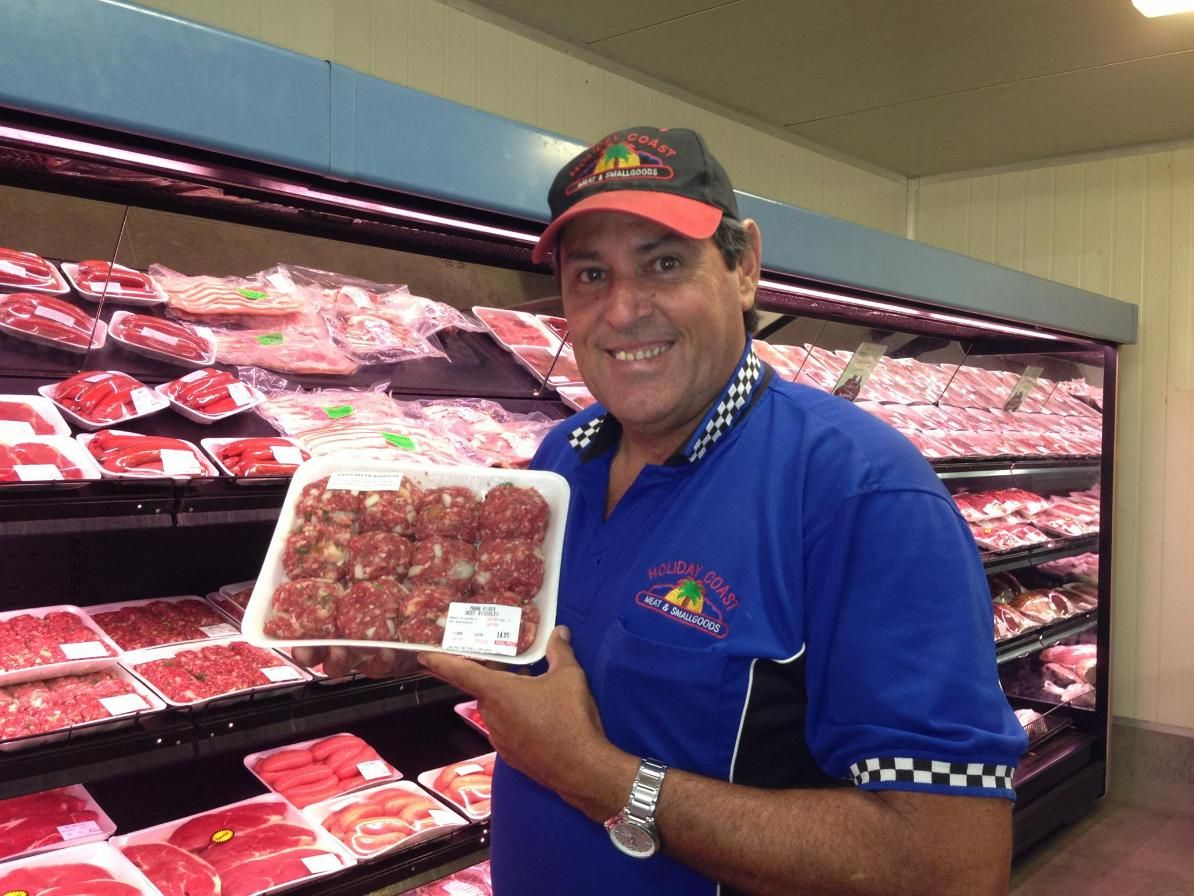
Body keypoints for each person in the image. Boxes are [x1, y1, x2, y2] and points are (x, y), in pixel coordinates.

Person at [304, 125, 1027, 895]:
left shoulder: (862, 494)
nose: (622, 311)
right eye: (589, 274)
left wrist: (591, 774)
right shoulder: (561, 458)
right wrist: (410, 636)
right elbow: (556, 661)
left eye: (665, 263)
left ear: (744, 267)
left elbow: (952, 865)